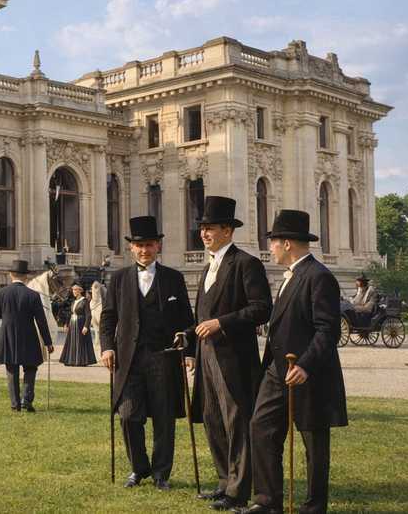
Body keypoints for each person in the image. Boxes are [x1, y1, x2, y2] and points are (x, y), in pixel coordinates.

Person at [239, 210, 347, 514]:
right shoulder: (290, 276)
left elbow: (328, 330)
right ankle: (266, 500)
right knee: (261, 427)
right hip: (277, 370)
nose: (270, 247)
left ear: (287, 243)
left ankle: (314, 507)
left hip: (309, 373)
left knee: (314, 444)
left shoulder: (319, 276)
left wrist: (305, 365)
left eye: (273, 242)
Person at [179, 196, 272, 511]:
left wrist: (222, 323)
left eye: (211, 228)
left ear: (228, 231)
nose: (204, 234)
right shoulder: (207, 266)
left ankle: (238, 489)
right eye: (202, 228)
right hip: (206, 354)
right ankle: (224, 481)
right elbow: (199, 315)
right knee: (211, 417)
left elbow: (261, 309)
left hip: (234, 356)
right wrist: (192, 348)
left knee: (236, 421)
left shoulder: (246, 263)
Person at [99, 215, 194, 491]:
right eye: (139, 245)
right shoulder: (117, 280)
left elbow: (187, 319)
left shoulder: (174, 279)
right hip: (128, 360)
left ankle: (161, 473)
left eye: (150, 245)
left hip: (164, 358)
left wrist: (189, 350)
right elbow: (108, 318)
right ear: (131, 248)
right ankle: (139, 469)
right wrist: (106, 347)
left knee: (164, 419)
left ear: (158, 246)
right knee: (129, 416)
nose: (144, 250)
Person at [0, 260, 54, 412]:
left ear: (11, 275)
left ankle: (15, 404)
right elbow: (41, 321)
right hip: (29, 336)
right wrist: (48, 342)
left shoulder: (0, 294)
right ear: (26, 277)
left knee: (12, 370)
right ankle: (27, 400)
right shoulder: (33, 295)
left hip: (7, 336)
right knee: (30, 369)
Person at [60, 281, 96, 366]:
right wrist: (66, 324)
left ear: (80, 290)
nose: (74, 292)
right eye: (73, 290)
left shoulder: (85, 301)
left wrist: (86, 326)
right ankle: (71, 360)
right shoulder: (73, 302)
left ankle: (81, 361)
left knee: (80, 342)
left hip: (81, 324)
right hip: (73, 324)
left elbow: (88, 315)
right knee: (72, 342)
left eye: (75, 290)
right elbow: (70, 313)